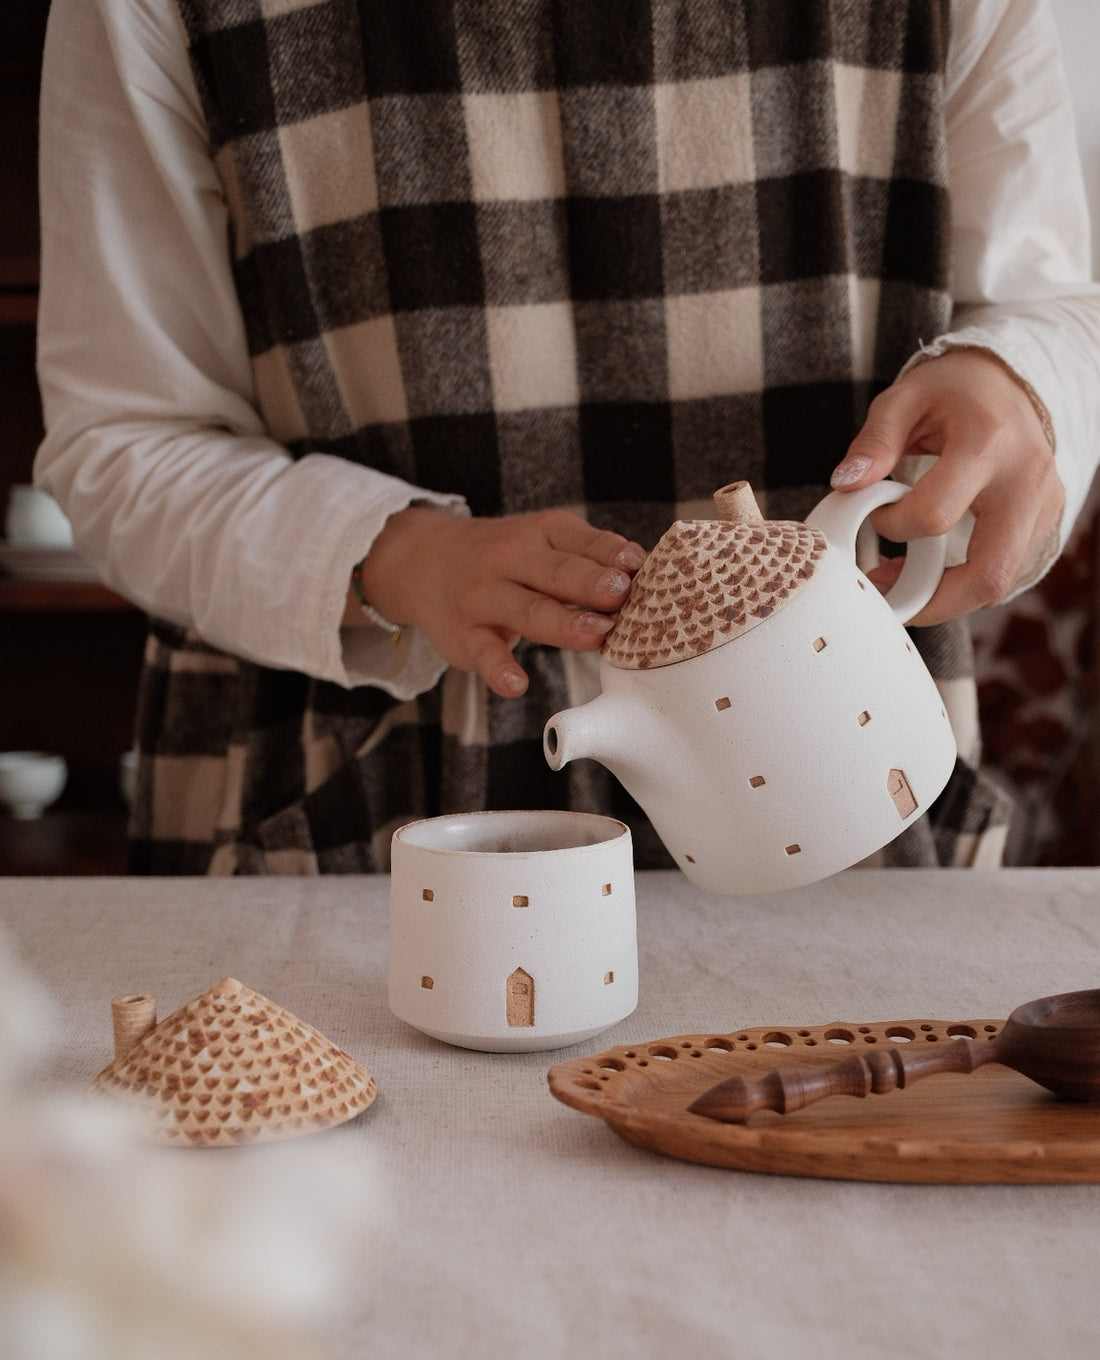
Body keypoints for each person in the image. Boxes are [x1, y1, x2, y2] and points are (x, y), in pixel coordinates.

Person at [34, 0, 1100, 873]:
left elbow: (1051, 310)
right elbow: (125, 438)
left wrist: (1015, 383)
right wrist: (390, 553)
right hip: (345, 800)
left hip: (853, 775)